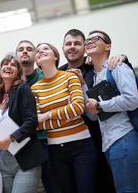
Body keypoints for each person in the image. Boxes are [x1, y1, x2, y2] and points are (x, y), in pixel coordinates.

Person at [0, 40, 59, 193]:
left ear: (18, 72)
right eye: (5, 64)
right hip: (4, 160)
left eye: (13, 65)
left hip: (26, 158)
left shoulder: (23, 90)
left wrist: (10, 137)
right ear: (0, 70)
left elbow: (31, 121)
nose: (8, 66)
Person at [31, 43, 97, 193]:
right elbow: (38, 124)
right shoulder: (34, 89)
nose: (41, 51)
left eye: (45, 48)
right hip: (55, 151)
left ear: (55, 56)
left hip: (82, 147)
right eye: (38, 51)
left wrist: (47, 115)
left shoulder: (70, 77)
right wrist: (68, 115)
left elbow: (79, 108)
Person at [59, 29, 116, 193]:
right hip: (70, 144)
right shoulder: (58, 74)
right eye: (68, 44)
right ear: (62, 48)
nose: (72, 47)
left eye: (77, 43)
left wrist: (121, 58)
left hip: (100, 139)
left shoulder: (95, 68)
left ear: (85, 48)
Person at [85, 30, 138, 193]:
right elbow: (93, 112)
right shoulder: (95, 76)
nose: (89, 42)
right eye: (87, 41)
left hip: (125, 135)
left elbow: (132, 100)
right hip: (109, 142)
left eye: (95, 39)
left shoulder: (117, 66)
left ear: (108, 46)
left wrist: (100, 105)